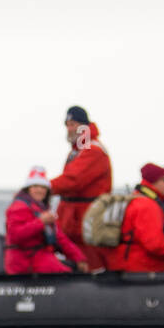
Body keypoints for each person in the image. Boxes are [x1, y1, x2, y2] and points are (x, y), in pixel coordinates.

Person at [50, 105, 112, 271]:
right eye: (68, 125)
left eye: (74, 124)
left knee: (89, 259)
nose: (70, 129)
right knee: (76, 256)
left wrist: (43, 188)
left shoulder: (93, 150)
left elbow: (73, 180)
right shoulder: (78, 151)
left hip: (86, 219)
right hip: (73, 217)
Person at [103, 163, 164, 273]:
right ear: (154, 181)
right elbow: (155, 245)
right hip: (137, 263)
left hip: (118, 259)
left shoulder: (134, 198)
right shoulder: (148, 206)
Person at [3, 166, 88, 275]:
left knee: (74, 268)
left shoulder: (41, 209)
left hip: (41, 257)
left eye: (43, 187)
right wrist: (40, 222)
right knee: (67, 275)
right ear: (28, 189)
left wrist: (79, 258)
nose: (39, 190)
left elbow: (59, 237)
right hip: (25, 261)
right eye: (35, 186)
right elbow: (16, 236)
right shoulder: (18, 207)